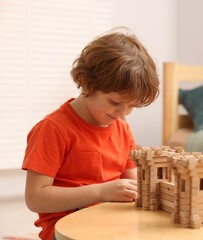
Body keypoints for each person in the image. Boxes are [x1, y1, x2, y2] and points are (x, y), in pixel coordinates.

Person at [22, 27, 159, 240]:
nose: (123, 114)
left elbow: (133, 186)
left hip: (115, 223)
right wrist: (100, 192)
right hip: (68, 227)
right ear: (87, 83)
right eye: (115, 103)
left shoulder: (122, 128)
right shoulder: (53, 129)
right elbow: (35, 198)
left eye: (132, 106)